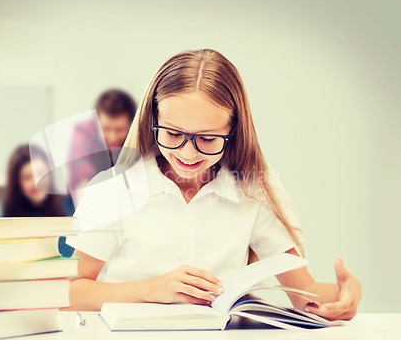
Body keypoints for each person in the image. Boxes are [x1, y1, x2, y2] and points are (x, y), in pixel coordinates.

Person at [66, 49, 362, 321]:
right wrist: (153, 289)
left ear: (234, 130)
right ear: (152, 120)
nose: (187, 153)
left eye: (207, 139)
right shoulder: (115, 189)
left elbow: (304, 293)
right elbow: (70, 291)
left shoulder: (256, 190)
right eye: (171, 134)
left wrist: (342, 296)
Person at [65, 88, 136, 209]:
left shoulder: (138, 134)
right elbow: (80, 171)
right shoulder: (83, 131)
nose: (112, 137)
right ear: (96, 122)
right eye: (106, 128)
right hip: (82, 199)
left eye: (119, 129)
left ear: (131, 124)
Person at [3, 144, 65, 218]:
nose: (36, 183)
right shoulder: (8, 214)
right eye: (27, 177)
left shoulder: (68, 207)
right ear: (16, 183)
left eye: (41, 173)